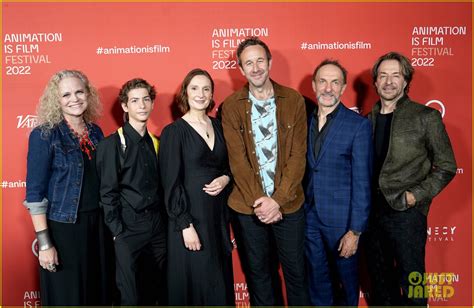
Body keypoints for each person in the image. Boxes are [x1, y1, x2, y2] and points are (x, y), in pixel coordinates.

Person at [221, 37, 309, 306]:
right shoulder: (231, 105)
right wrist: (262, 203)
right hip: (250, 207)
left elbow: (297, 156)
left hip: (289, 205)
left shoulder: (293, 100)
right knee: (259, 275)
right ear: (240, 69)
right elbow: (239, 162)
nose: (255, 67)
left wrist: (277, 201)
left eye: (260, 60)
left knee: (296, 274)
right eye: (249, 63)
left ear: (270, 63)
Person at [365, 52, 457, 306]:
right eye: (383, 75)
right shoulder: (366, 120)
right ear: (375, 82)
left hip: (406, 213)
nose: (389, 81)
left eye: (396, 75)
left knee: (413, 280)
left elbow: (447, 166)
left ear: (406, 81)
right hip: (371, 214)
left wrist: (415, 195)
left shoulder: (425, 117)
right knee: (381, 282)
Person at [23, 70, 112, 305]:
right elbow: (34, 194)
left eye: (79, 92)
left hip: (98, 227)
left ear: (88, 94)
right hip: (64, 231)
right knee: (68, 297)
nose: (74, 99)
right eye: (66, 95)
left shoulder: (96, 132)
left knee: (97, 294)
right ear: (56, 100)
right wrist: (44, 244)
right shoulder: (44, 135)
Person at [159, 68, 234, 305]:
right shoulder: (173, 132)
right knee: (194, 283)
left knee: (217, 282)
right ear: (185, 93)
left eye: (206, 89)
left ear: (212, 94)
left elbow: (232, 167)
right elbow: (170, 183)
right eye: (194, 88)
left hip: (218, 218)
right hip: (190, 220)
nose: (200, 94)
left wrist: (226, 179)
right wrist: (185, 224)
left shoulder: (220, 126)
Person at [304, 60, 372, 306]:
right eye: (322, 81)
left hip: (342, 224)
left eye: (335, 82)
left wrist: (355, 231)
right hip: (309, 218)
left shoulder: (358, 126)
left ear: (343, 88)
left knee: (346, 286)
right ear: (314, 85)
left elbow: (363, 183)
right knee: (317, 284)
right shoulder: (304, 121)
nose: (328, 88)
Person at [96, 78, 166, 305]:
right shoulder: (111, 145)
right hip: (128, 227)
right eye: (135, 101)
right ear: (125, 106)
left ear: (152, 103)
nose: (142, 105)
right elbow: (107, 193)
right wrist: (118, 231)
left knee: (159, 289)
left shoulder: (157, 143)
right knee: (130, 294)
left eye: (146, 99)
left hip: (157, 227)